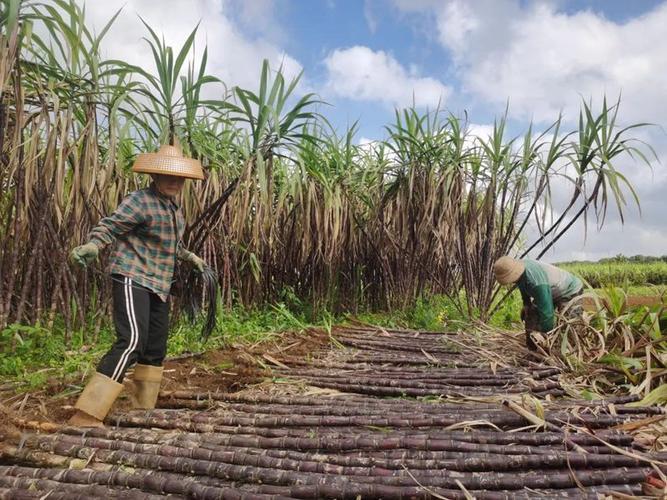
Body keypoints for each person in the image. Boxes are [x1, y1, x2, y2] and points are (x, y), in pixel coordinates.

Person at [67, 144, 207, 427]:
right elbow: (111, 225)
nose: (174, 181)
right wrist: (94, 244)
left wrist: (190, 257)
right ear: (154, 175)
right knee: (131, 341)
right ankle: (87, 414)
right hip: (132, 276)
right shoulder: (140, 201)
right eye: (167, 175)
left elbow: (172, 245)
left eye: (179, 177)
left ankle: (142, 409)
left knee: (155, 348)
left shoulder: (173, 210)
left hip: (159, 283)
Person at [493, 256, 583, 350]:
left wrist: (545, 336)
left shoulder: (536, 282)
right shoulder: (519, 271)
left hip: (570, 290)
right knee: (531, 315)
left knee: (569, 327)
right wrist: (526, 303)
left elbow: (547, 314)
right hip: (550, 290)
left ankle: (570, 353)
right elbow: (522, 285)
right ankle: (532, 348)